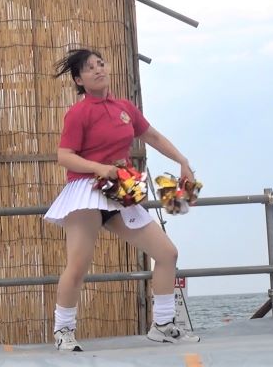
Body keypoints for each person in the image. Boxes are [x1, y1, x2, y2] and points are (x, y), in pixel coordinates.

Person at [44, 48, 200, 351]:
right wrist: (98, 168)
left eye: (100, 64)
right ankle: (63, 330)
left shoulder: (125, 107)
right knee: (78, 264)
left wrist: (182, 160)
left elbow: (152, 136)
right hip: (86, 192)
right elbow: (64, 156)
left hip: (121, 190)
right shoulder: (78, 112)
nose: (98, 70)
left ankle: (163, 324)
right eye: (89, 68)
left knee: (167, 253)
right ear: (79, 79)